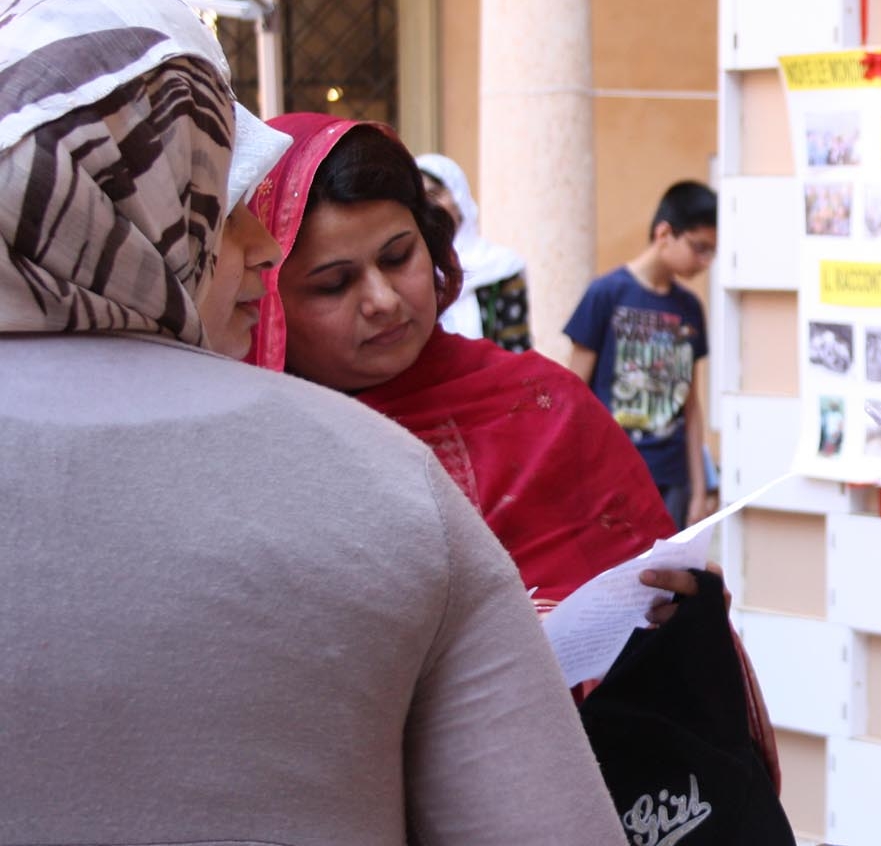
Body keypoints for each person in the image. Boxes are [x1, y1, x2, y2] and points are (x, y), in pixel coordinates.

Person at [0, 0, 651, 846]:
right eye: (215, 199)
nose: (258, 244)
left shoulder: (470, 430)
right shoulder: (378, 483)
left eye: (398, 258)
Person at [248, 114, 678, 605]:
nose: (383, 300)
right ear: (265, 302)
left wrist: (683, 610)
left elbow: (646, 596)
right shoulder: (250, 456)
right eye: (334, 284)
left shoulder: (542, 408)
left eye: (397, 258)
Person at [567, 181, 717, 524]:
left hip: (672, 480)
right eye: (699, 247)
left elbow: (690, 405)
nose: (705, 261)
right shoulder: (605, 294)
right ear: (664, 233)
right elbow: (573, 395)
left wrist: (698, 490)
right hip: (611, 477)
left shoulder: (690, 307)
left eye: (712, 252)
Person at [415, 150, 531, 351]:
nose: (429, 207)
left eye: (435, 194)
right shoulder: (410, 271)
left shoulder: (500, 267)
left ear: (459, 197)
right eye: (420, 200)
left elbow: (515, 347)